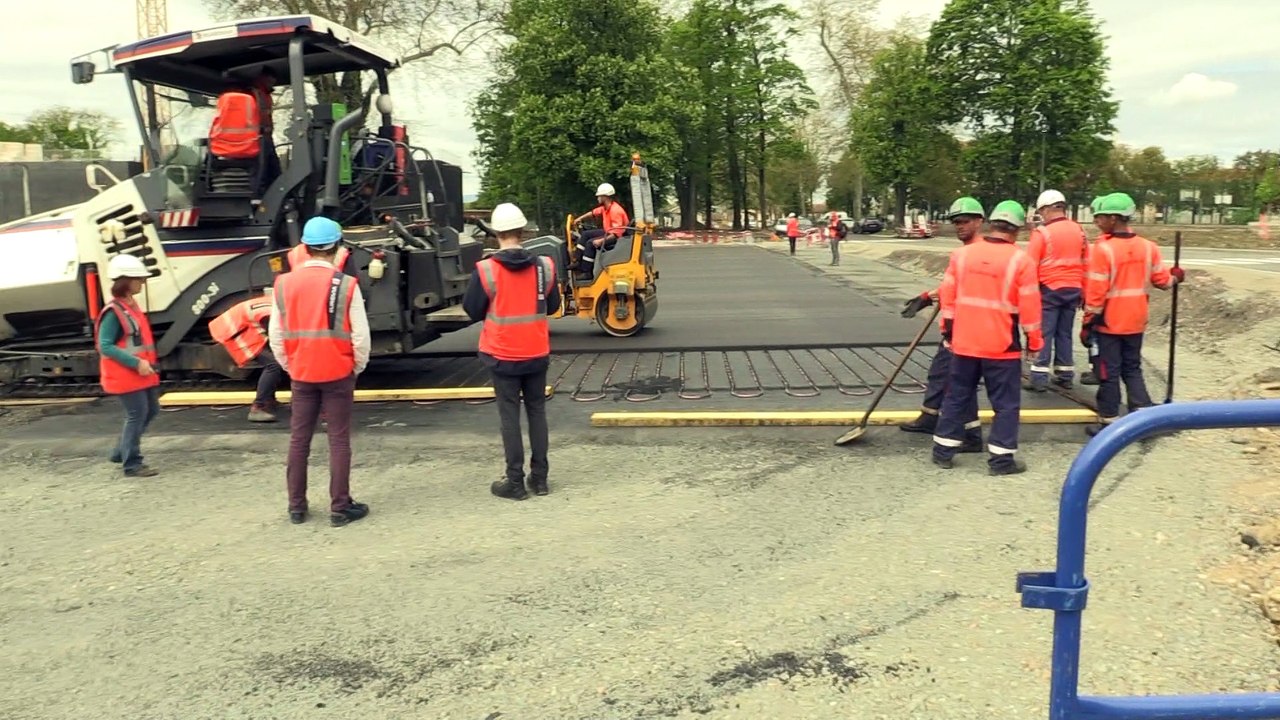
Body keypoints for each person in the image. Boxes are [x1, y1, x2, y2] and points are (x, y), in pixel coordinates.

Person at [268, 216, 372, 526]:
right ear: (337, 246)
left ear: (305, 247)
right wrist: (354, 367)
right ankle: (340, 507)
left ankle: (296, 506)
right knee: (338, 440)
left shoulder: (283, 284)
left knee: (299, 439)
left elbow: (275, 335)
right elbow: (361, 338)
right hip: (338, 372)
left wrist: (292, 366)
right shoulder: (347, 285)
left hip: (301, 373)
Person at [931, 200, 1043, 475]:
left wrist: (947, 328)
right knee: (1005, 404)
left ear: (991, 224)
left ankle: (943, 451)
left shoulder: (963, 255)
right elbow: (1030, 307)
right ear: (1017, 230)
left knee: (957, 396)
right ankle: (1001, 460)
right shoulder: (1021, 261)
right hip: (1001, 346)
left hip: (965, 342)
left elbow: (948, 294)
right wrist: (1035, 341)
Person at [463, 203, 561, 500]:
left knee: (509, 418)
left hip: (502, 354)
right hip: (536, 351)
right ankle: (541, 480)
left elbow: (472, 309)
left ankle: (515, 483)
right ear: (523, 231)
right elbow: (553, 306)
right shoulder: (544, 266)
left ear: (495, 233)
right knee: (537, 413)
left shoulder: (487, 270)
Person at [1082, 192, 1185, 436]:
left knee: (1108, 372)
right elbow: (1162, 281)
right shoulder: (1149, 248)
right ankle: (1142, 416)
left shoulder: (1103, 250)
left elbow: (1096, 293)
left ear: (1115, 218)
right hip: (1136, 321)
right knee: (1132, 368)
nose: (1097, 221)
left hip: (1109, 323)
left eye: (1101, 217)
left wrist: (1087, 323)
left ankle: (1108, 422)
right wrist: (1177, 276)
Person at [898, 196, 986, 450]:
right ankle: (930, 417)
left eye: (964, 221)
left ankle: (971, 435)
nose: (959, 226)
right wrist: (928, 297)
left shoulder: (979, 253)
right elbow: (952, 286)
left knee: (958, 381)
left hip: (965, 329)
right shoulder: (962, 253)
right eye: (956, 222)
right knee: (941, 373)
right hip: (954, 328)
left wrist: (956, 325)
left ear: (979, 222)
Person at [97, 254, 162, 478]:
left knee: (151, 410)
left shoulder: (129, 306)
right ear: (124, 280)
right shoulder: (114, 311)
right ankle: (132, 464)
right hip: (127, 374)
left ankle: (120, 451)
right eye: (138, 279)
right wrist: (136, 362)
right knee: (138, 413)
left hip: (140, 373)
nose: (142, 282)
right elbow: (104, 345)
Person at [1024, 189, 1089, 392]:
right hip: (1074, 289)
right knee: (1064, 333)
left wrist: (1028, 296)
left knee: (1045, 333)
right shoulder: (1079, 231)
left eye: (1041, 211)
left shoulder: (1042, 233)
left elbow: (1030, 265)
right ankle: (1065, 374)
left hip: (1049, 289)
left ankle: (1039, 377)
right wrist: (1085, 291)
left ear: (1046, 209)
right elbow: (1087, 262)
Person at [208, 296, 284, 422]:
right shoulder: (272, 314)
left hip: (243, 327)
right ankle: (258, 407)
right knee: (274, 365)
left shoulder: (278, 303)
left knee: (273, 361)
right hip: (235, 332)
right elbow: (276, 337)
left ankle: (269, 400)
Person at [570, 183, 630, 279]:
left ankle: (587, 273)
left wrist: (600, 241)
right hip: (609, 232)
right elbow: (593, 213)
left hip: (616, 238)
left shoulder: (615, 211)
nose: (597, 198)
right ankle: (576, 261)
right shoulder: (606, 208)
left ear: (605, 197)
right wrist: (579, 219)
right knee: (585, 234)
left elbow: (616, 234)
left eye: (599, 196)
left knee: (590, 243)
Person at [250, 67, 282, 189]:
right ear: (263, 78)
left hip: (267, 137)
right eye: (270, 80)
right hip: (258, 137)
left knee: (273, 169)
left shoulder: (266, 94)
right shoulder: (255, 93)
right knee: (261, 170)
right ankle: (259, 197)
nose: (272, 83)